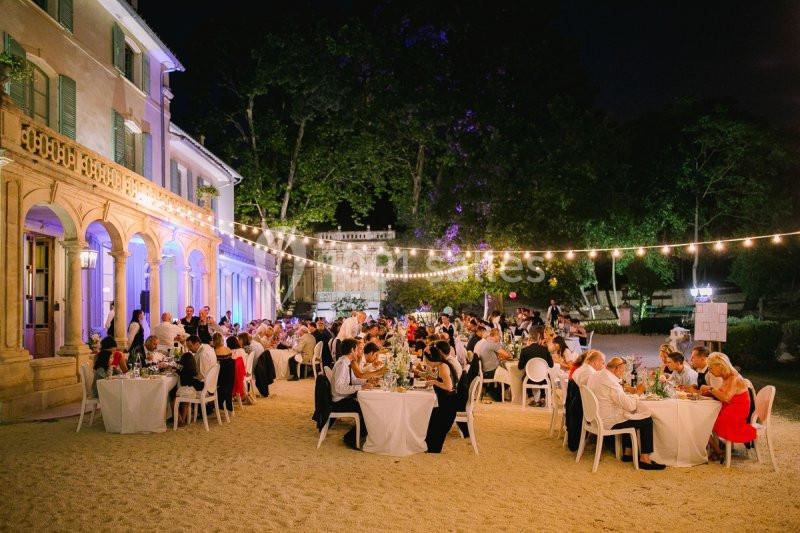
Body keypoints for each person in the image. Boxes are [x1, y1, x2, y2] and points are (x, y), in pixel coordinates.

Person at [587, 357, 666, 470]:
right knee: (646, 419)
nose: (623, 373)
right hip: (607, 421)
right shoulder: (611, 382)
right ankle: (645, 459)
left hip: (595, 418)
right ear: (617, 369)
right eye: (623, 370)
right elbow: (630, 405)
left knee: (628, 414)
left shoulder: (596, 375)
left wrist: (627, 393)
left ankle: (628, 452)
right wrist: (638, 393)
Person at [701, 352, 757, 462]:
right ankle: (717, 450)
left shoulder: (734, 377)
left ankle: (716, 450)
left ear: (720, 366)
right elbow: (721, 393)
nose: (710, 371)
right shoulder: (727, 377)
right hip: (730, 410)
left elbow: (726, 397)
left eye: (711, 368)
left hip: (736, 415)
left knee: (704, 423)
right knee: (704, 420)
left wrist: (710, 389)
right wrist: (707, 391)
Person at [331, 338, 372, 448]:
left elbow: (352, 380)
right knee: (367, 410)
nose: (359, 352)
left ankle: (360, 436)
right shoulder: (342, 365)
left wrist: (367, 382)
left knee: (367, 407)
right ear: (352, 350)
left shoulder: (346, 362)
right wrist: (360, 387)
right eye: (357, 349)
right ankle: (350, 438)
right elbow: (339, 388)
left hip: (344, 397)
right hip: (339, 401)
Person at [424, 344, 459, 453]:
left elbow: (448, 387)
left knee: (428, 414)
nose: (426, 363)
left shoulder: (443, 367)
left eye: (426, 360)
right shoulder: (442, 364)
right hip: (446, 401)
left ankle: (432, 446)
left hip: (447, 405)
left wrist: (434, 382)